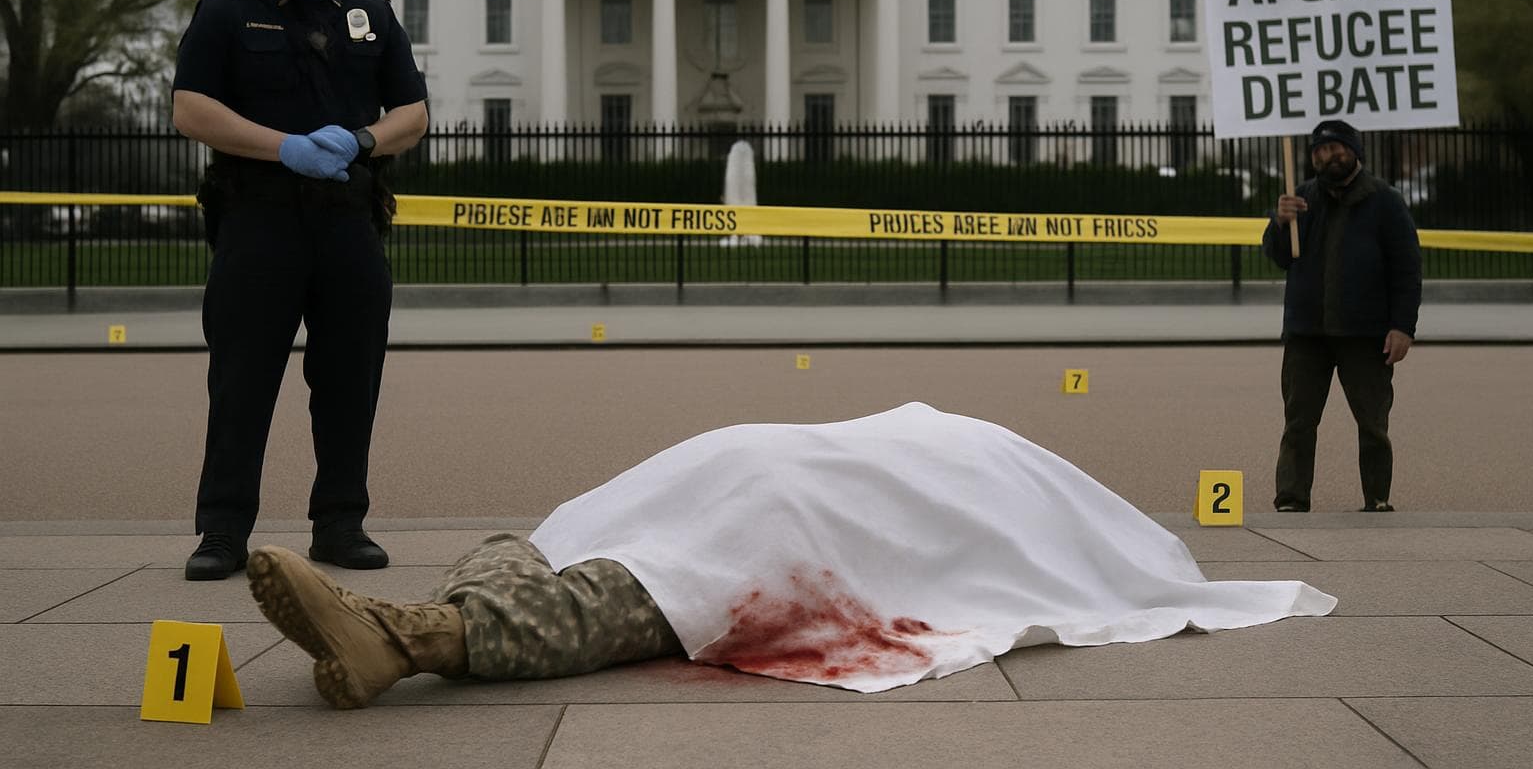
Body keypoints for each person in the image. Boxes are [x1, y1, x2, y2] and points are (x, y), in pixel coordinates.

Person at [246, 403, 1335, 708]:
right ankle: (403, 637)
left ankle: (408, 635)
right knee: (551, 554)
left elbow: (965, 534)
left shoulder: (1018, 481)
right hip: (755, 477)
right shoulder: (1004, 464)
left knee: (625, 588)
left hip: (774, 509)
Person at [172, 0, 429, 580]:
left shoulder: (373, 15)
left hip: (348, 219)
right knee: (241, 379)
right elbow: (190, 109)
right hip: (257, 216)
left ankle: (340, 524)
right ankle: (222, 532)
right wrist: (281, 146)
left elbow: (414, 113)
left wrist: (362, 141)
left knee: (351, 378)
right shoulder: (226, 12)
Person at [1264, 119, 1422, 514]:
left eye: (1335, 148)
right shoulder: (1300, 198)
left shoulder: (1384, 200)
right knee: (1298, 423)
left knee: (1372, 424)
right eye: (1319, 151)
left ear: (1354, 151)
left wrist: (1403, 327)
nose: (1327, 156)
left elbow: (1407, 268)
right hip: (1307, 333)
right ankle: (1291, 500)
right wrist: (1279, 224)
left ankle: (1378, 498)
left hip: (1364, 334)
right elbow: (1280, 256)